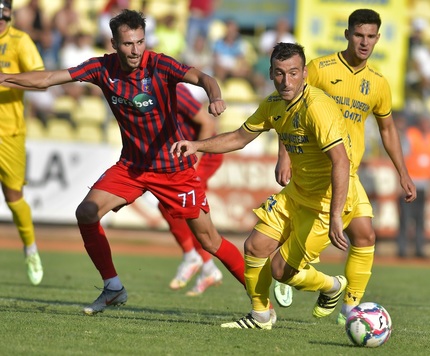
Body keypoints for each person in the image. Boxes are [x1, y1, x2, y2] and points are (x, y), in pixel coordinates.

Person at [0, 9, 248, 316]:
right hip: (132, 168)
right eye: (128, 44)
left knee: (210, 241)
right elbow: (50, 78)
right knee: (87, 213)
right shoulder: (102, 68)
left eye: (140, 42)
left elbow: (202, 77)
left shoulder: (158, 64)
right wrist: (5, 78)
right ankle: (113, 287)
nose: (135, 50)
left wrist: (215, 95)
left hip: (173, 170)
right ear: (115, 43)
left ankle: (258, 296)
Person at [171, 42, 358, 330]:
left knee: (281, 271)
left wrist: (335, 216)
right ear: (271, 72)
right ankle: (260, 316)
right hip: (297, 194)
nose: (287, 81)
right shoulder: (273, 104)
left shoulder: (318, 108)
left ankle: (332, 286)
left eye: (294, 73)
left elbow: (341, 162)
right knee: (255, 246)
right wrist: (197, 145)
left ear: (305, 73)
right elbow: (239, 137)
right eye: (280, 73)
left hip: (325, 204)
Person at [273, 9, 416, 325]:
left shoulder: (378, 83)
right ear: (347, 34)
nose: (364, 42)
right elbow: (287, 106)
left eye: (370, 36)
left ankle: (350, 309)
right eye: (358, 35)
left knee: (365, 236)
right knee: (292, 262)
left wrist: (403, 172)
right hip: (315, 169)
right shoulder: (320, 69)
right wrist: (283, 155)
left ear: (378, 38)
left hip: (346, 172)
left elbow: (388, 129)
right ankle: (303, 277)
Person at [164, 83, 224, 296]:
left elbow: (207, 124)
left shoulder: (175, 91)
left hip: (203, 154)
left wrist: (195, 160)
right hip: (181, 156)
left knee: (188, 207)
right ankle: (206, 267)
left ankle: (196, 259)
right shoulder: (140, 93)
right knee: (167, 206)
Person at [0, 0, 44, 285]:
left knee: (13, 198)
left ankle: (30, 248)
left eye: (3, 18)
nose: (0, 23)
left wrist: (6, 79)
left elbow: (40, 77)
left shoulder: (19, 41)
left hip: (9, 133)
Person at [397, 114, 430, 258]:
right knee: (405, 218)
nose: (429, 125)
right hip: (410, 182)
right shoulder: (411, 135)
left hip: (424, 183)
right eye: (427, 121)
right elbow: (402, 157)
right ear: (420, 122)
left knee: (420, 219)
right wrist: (401, 180)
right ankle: (402, 249)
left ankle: (419, 248)